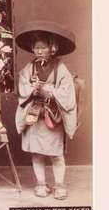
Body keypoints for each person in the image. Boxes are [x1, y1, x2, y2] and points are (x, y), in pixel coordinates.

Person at [15, 21, 77, 200]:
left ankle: (59, 185)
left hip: (52, 117)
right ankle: (41, 184)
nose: (39, 51)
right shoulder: (30, 67)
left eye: (43, 47)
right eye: (36, 48)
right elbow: (22, 86)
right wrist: (33, 89)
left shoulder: (61, 68)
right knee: (37, 152)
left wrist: (48, 90)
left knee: (56, 154)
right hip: (35, 115)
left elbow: (67, 93)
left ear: (53, 48)